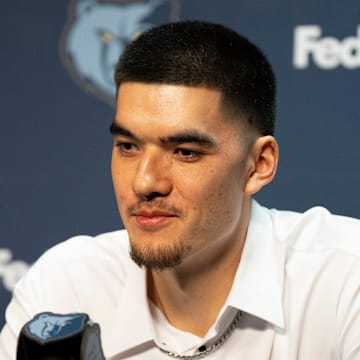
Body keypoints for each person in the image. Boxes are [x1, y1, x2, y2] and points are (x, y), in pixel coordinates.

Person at [1, 20, 360, 360]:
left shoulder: (345, 277)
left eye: (185, 152)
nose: (144, 182)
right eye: (128, 146)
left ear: (259, 164)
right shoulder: (65, 287)